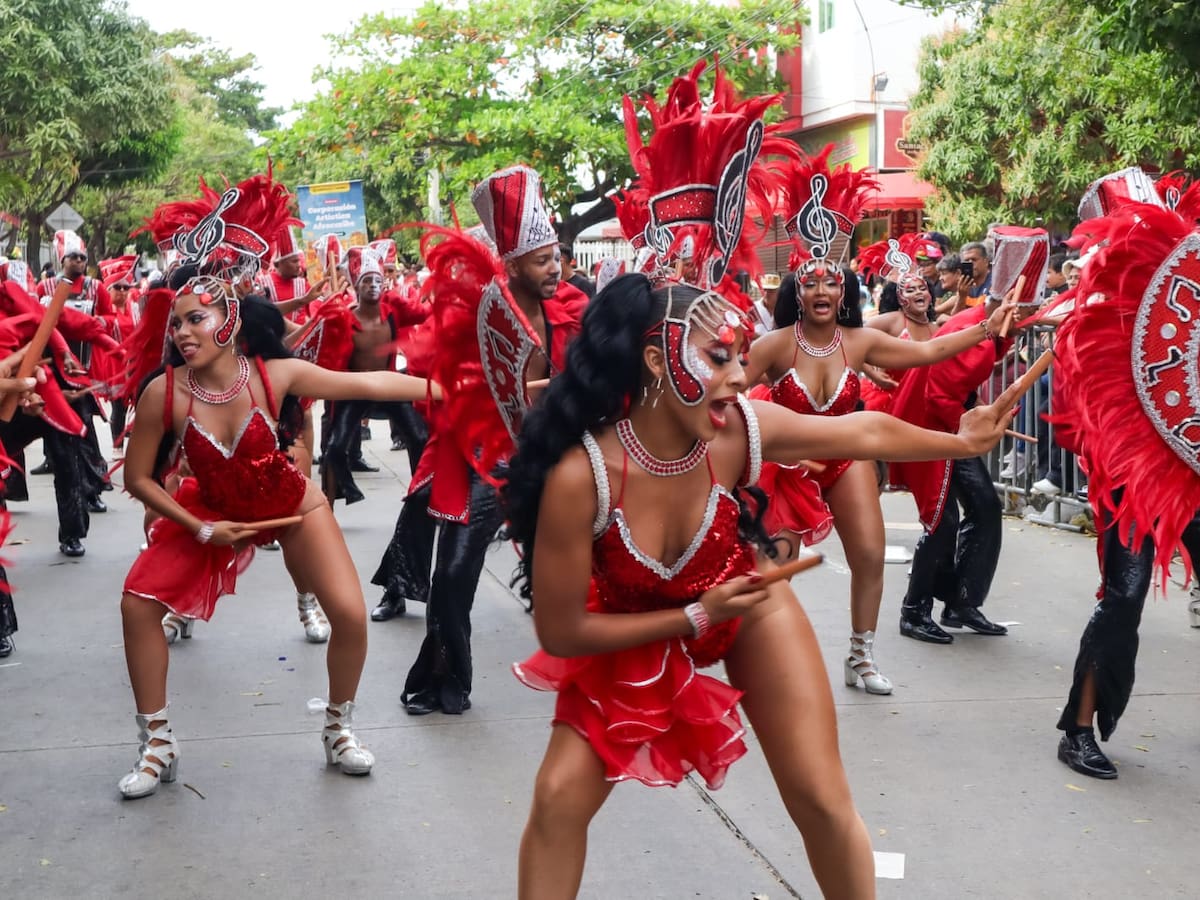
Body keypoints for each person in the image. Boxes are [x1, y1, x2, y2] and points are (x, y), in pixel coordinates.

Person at [504, 276, 1018, 898]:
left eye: (740, 358)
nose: (739, 377)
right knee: (557, 798)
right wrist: (692, 616)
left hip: (744, 603)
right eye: (719, 357)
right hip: (630, 625)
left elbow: (864, 432)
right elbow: (561, 633)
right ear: (656, 361)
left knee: (821, 798)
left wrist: (961, 441)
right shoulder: (581, 475)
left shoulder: (734, 431)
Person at [115, 173, 436, 800]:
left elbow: (367, 384)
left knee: (350, 616)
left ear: (230, 321)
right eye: (176, 323)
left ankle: (338, 729)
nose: (182, 333)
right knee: (137, 605)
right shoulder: (165, 393)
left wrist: (445, 388)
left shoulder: (275, 375)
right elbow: (137, 478)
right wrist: (201, 528)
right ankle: (157, 743)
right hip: (211, 513)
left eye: (196, 319)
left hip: (291, 507)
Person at [747, 153, 1014, 693]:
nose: (821, 292)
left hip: (846, 458)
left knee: (869, 555)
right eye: (810, 284)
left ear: (843, 292)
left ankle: (860, 657)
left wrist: (986, 328)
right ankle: (765, 662)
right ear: (797, 293)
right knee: (773, 569)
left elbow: (930, 350)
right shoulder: (773, 346)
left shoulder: (860, 341)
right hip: (787, 467)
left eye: (830, 283)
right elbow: (728, 391)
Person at [382, 165, 586, 715]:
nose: (555, 267)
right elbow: (453, 381)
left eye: (556, 257)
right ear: (512, 264)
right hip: (488, 462)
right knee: (451, 574)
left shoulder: (574, 312)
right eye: (542, 260)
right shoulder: (481, 316)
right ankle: (446, 679)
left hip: (557, 462)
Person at [1049, 171, 1200, 779]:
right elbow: (1071, 422)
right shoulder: (1089, 312)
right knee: (1124, 597)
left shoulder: (1184, 288)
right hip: (1131, 479)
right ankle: (1078, 730)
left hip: (1191, 465)